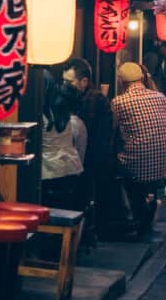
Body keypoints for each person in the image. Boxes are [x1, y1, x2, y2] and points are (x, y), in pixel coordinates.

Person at [111, 62, 166, 237]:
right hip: (161, 160)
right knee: (150, 187)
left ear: (122, 82)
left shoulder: (118, 102)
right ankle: (150, 205)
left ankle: (137, 215)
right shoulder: (160, 97)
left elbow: (112, 131)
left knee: (122, 173)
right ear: (142, 78)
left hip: (135, 162)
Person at [61, 58, 113, 241]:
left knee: (82, 199)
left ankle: (80, 237)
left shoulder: (93, 98)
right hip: (84, 159)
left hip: (90, 160)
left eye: (68, 82)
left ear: (83, 81)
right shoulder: (86, 97)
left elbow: (88, 132)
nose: (64, 86)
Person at [40, 77, 87, 212]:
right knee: (65, 209)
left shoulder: (42, 114)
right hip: (71, 167)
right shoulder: (62, 111)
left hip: (50, 171)